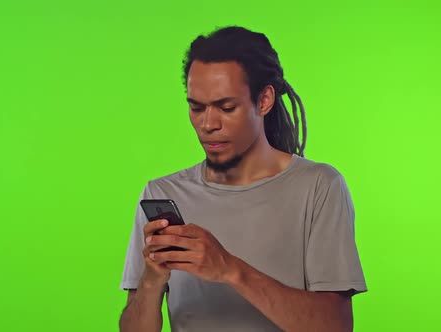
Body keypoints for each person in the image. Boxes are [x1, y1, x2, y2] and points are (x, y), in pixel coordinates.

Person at [118, 26, 367, 332]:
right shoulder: (162, 192)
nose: (208, 124)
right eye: (196, 108)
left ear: (263, 100)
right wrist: (151, 281)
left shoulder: (318, 187)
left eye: (226, 107)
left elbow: (335, 326)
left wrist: (229, 269)